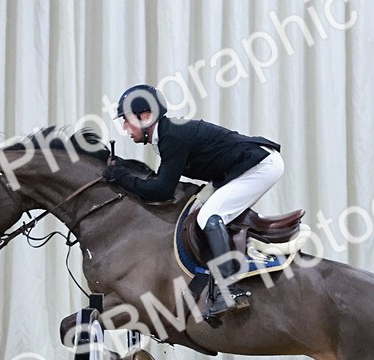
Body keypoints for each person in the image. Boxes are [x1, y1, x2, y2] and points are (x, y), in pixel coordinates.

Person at [102, 84, 284, 322]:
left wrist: (121, 178)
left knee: (208, 216)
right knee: (199, 210)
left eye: (126, 120)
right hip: (241, 168)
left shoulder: (171, 136)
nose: (124, 126)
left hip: (260, 166)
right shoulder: (165, 135)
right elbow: (160, 182)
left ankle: (229, 289)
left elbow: (161, 190)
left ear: (146, 116)